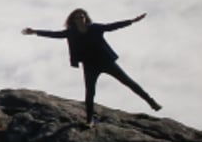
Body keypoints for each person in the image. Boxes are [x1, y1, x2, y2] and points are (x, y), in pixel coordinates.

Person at [22, 8, 161, 126]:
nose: (81, 19)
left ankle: (151, 102)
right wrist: (35, 32)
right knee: (90, 93)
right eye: (77, 17)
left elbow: (112, 26)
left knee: (128, 82)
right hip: (90, 66)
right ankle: (89, 121)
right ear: (73, 21)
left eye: (82, 16)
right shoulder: (71, 33)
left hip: (106, 62)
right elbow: (54, 34)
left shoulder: (95, 28)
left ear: (85, 18)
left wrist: (132, 21)